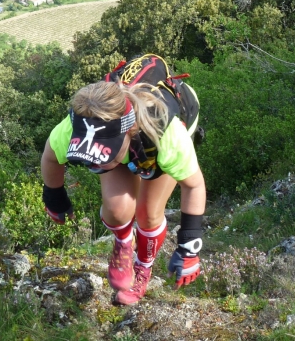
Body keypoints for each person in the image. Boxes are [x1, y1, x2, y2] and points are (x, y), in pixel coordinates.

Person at [40, 79, 206, 305]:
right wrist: (54, 198)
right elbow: (51, 157)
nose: (94, 166)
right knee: (117, 209)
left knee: (148, 214)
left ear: (129, 133)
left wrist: (189, 246)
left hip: (153, 141)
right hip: (124, 141)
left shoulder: (167, 135)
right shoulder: (76, 124)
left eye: (102, 155)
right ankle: (123, 242)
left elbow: (194, 185)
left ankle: (143, 269)